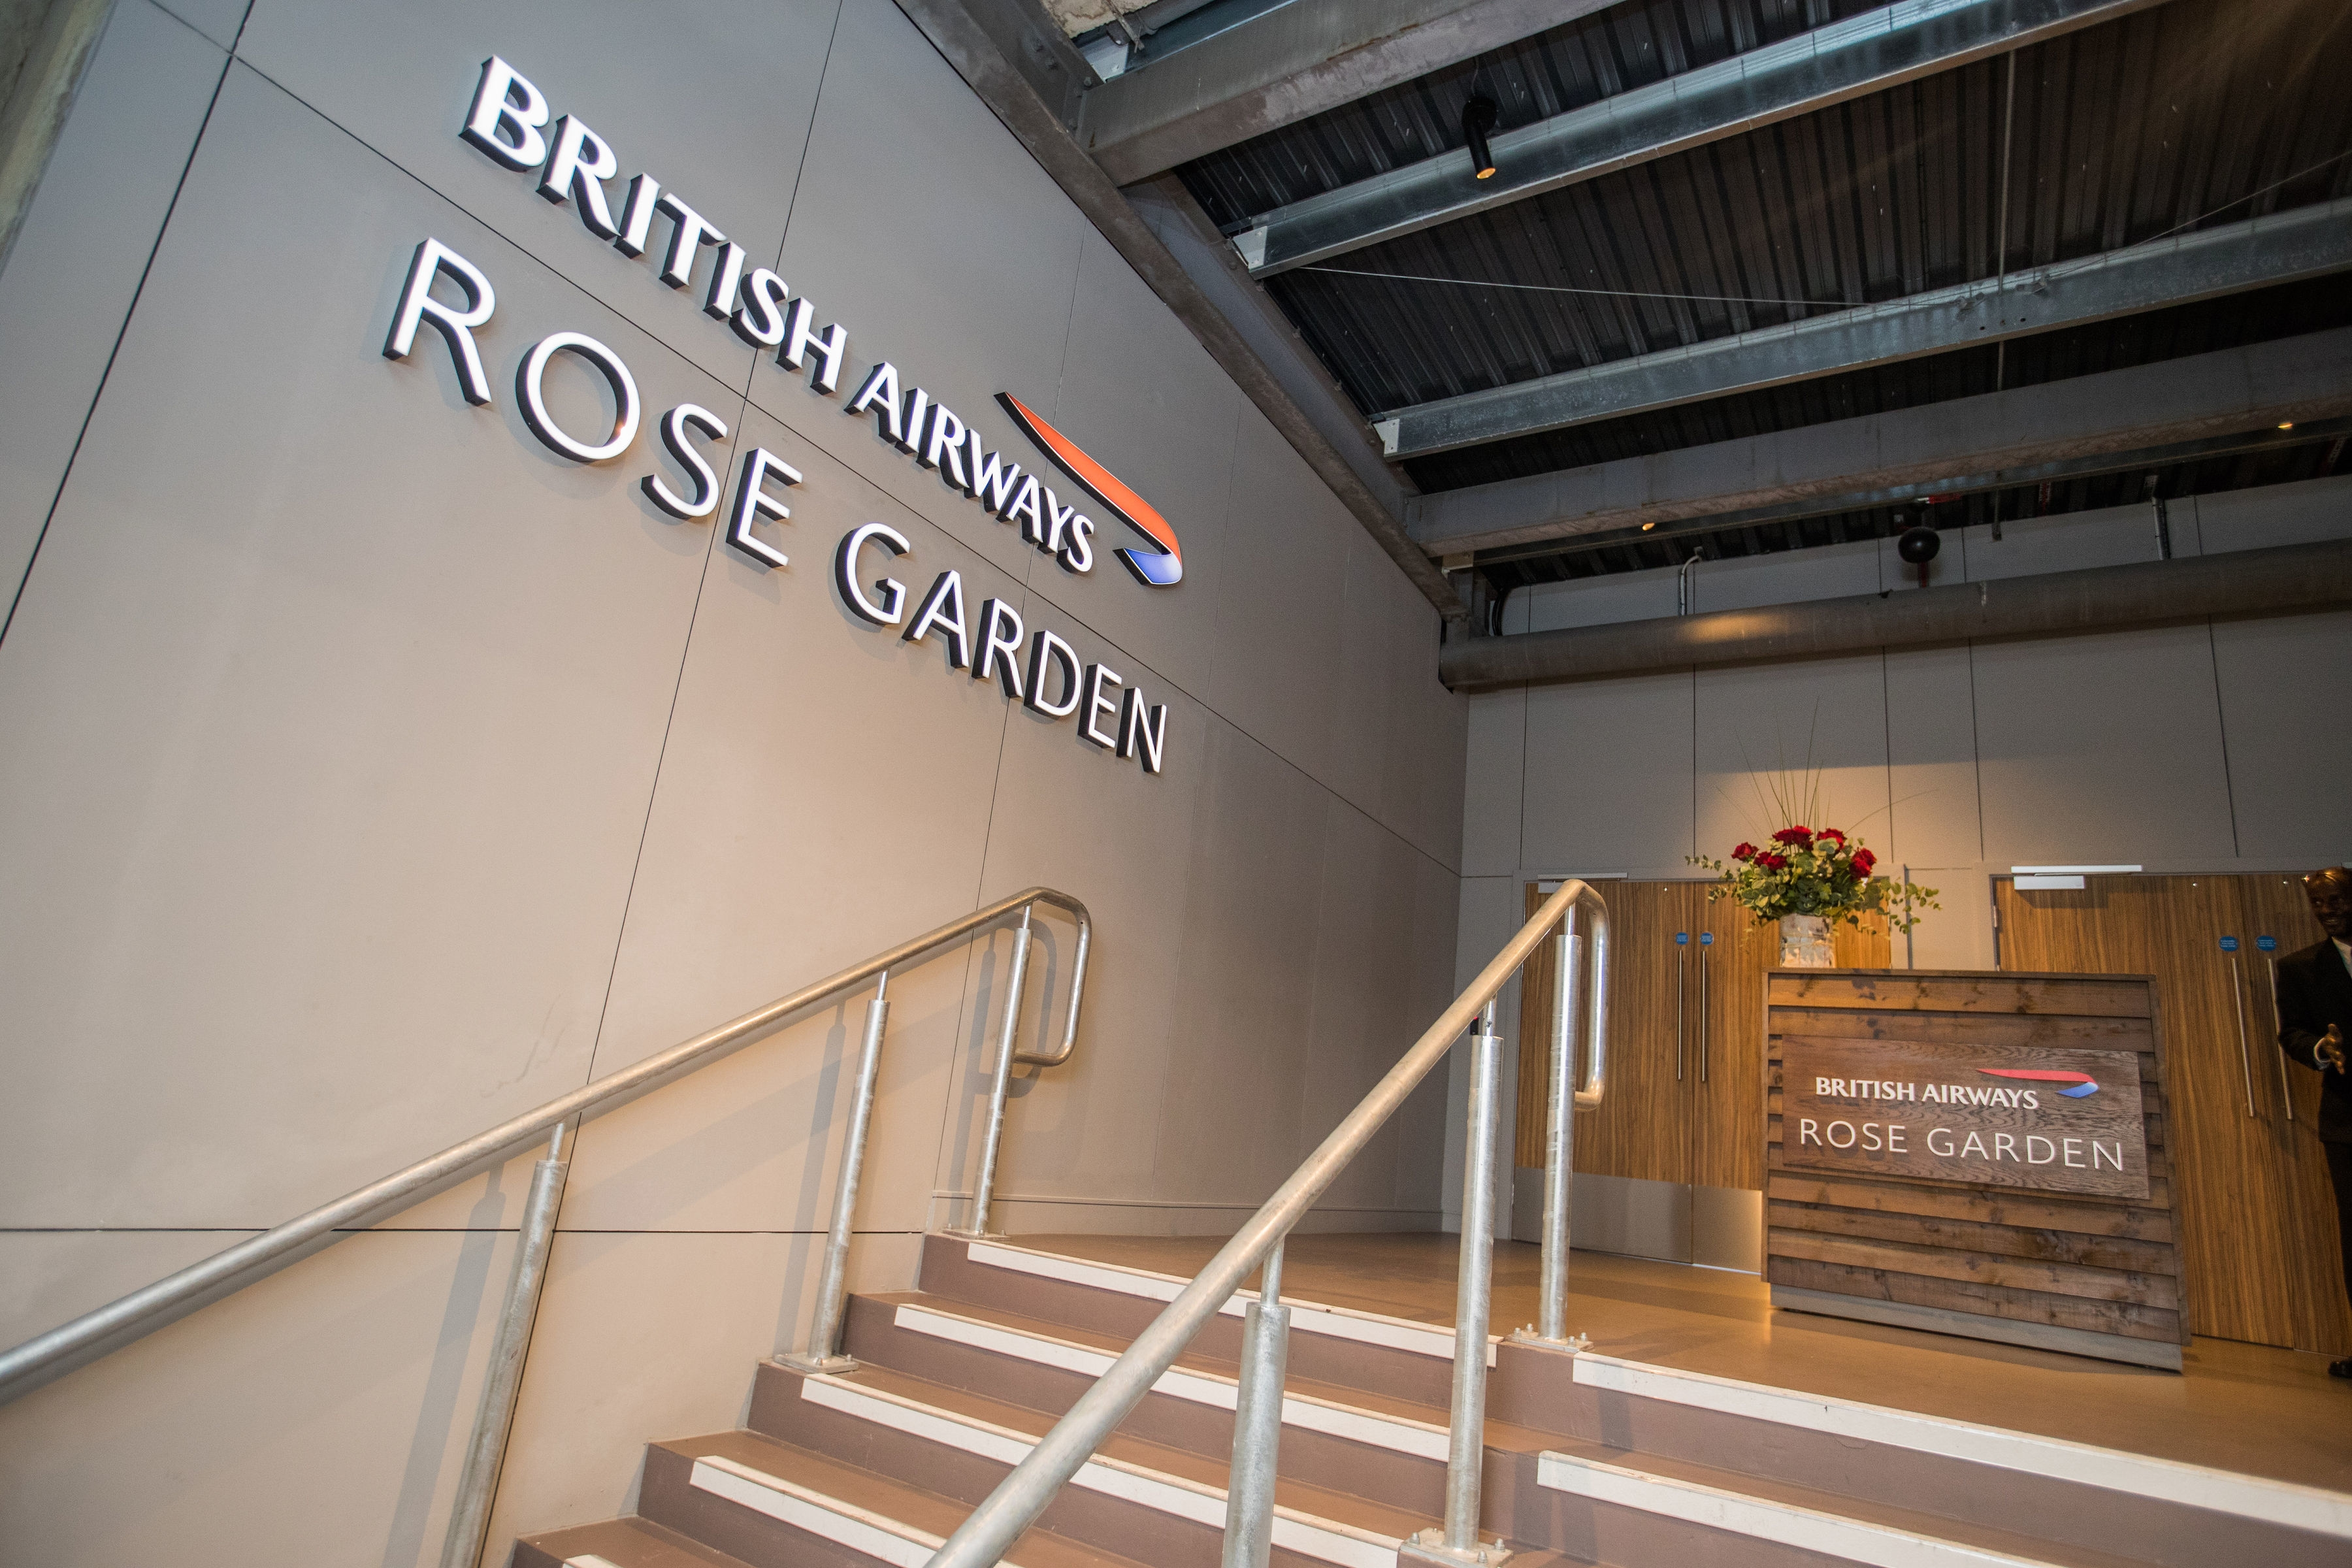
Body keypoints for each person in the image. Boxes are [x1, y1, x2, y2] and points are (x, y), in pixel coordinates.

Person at [2278, 866, 2352, 1379]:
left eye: (2336, 900)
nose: (2327, 911)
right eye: (2318, 904)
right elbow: (2292, 1034)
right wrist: (2324, 1049)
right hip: (2347, 1122)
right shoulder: (2301, 967)